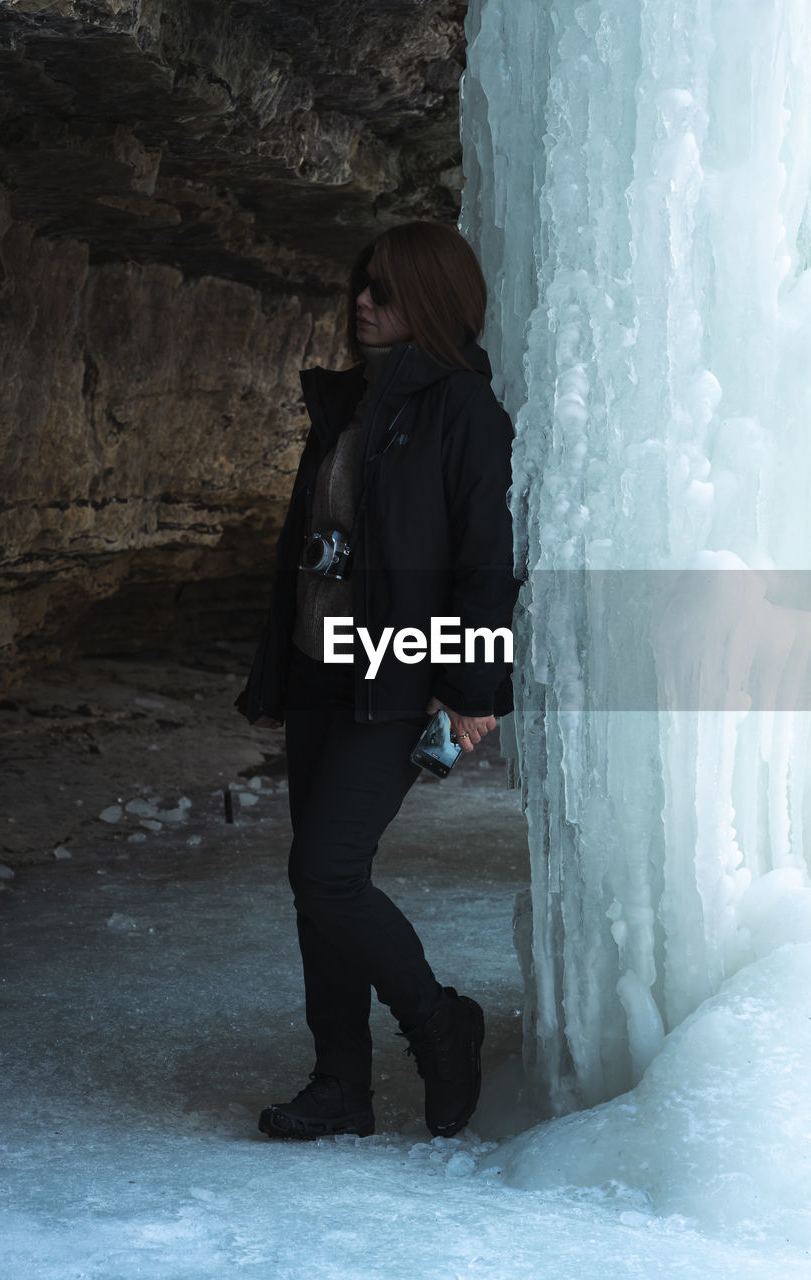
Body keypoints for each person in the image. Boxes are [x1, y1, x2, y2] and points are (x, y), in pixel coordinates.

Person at [236, 220, 518, 1141]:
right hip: (323, 669)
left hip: (397, 674)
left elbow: (483, 561)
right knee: (314, 879)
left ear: (431, 302)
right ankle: (339, 1084)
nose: (362, 300)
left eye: (385, 291)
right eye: (362, 283)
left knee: (328, 872)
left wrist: (470, 686)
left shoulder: (461, 409)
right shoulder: (352, 403)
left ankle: (438, 1022)